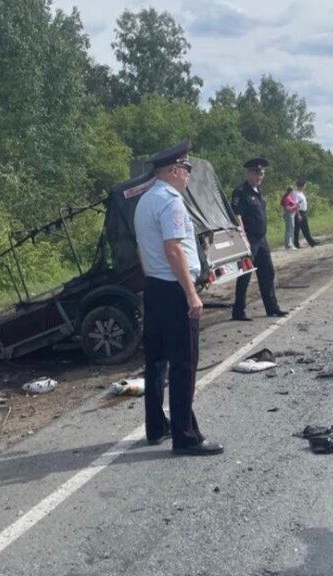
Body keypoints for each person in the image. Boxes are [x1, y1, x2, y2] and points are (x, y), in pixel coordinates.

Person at [133, 139, 223, 456]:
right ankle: (186, 436)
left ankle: (156, 426)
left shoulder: (145, 200)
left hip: (154, 287)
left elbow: (145, 251)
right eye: (186, 169)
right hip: (173, 288)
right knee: (184, 363)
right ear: (173, 170)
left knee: (155, 361)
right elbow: (174, 250)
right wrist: (190, 293)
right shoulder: (171, 202)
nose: (187, 175)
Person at [231, 157, 289, 321]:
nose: (260, 176)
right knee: (245, 275)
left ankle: (272, 308)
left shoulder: (258, 191)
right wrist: (243, 237)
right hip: (249, 239)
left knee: (267, 273)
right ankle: (239, 311)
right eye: (257, 173)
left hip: (261, 239)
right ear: (249, 173)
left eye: (262, 173)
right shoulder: (241, 191)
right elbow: (237, 216)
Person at [293, 178, 319, 248]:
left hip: (304, 212)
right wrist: (298, 215)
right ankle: (296, 244)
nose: (305, 186)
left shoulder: (301, 192)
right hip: (299, 212)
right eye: (304, 185)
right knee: (297, 229)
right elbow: (296, 204)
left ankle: (311, 242)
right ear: (302, 185)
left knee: (305, 228)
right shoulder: (295, 193)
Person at [281, 185, 299, 250]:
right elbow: (287, 208)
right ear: (290, 191)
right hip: (289, 214)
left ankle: (289, 243)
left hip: (291, 214)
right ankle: (288, 245)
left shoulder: (288, 197)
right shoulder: (287, 198)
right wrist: (295, 206)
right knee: (289, 229)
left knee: (291, 228)